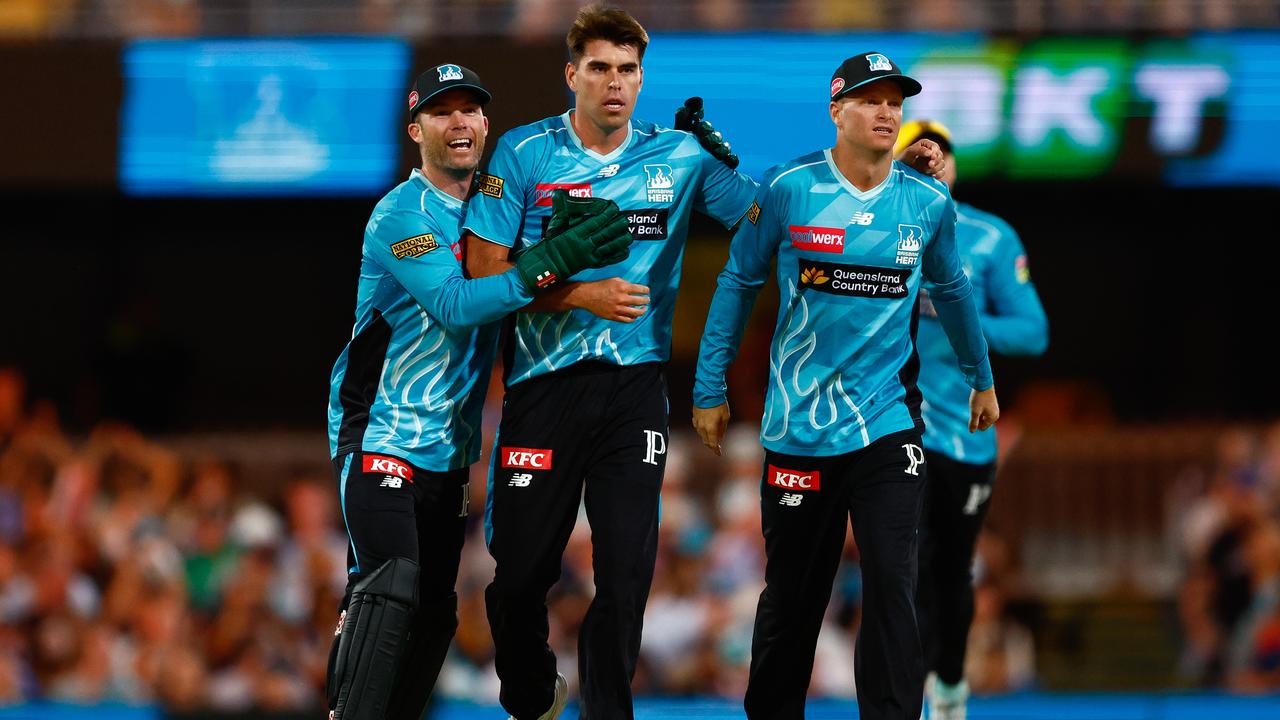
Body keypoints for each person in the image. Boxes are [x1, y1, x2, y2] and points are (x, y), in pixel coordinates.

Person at [691, 52, 999, 720]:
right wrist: (709, 386)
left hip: (887, 426)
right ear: (836, 112)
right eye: (870, 100)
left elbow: (951, 289)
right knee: (795, 598)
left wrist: (981, 378)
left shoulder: (926, 201)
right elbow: (739, 281)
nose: (887, 112)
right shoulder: (789, 188)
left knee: (895, 585)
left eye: (895, 102)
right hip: (799, 431)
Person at [323, 63, 634, 720]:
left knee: (434, 613)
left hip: (449, 451)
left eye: (470, 110)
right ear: (416, 130)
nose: (459, 122)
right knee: (391, 583)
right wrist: (552, 259)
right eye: (442, 112)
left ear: (487, 124)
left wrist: (574, 263)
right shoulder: (400, 214)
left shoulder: (501, 210)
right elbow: (458, 303)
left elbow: (528, 287)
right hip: (380, 430)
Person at [893, 119, 1048, 720]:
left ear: (954, 167)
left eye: (943, 151)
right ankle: (901, 697)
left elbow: (1034, 332)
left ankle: (950, 685)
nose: (933, 160)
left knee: (949, 570)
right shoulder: (870, 226)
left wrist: (958, 314)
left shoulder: (990, 237)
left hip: (965, 435)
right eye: (918, 150)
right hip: (890, 424)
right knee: (895, 567)